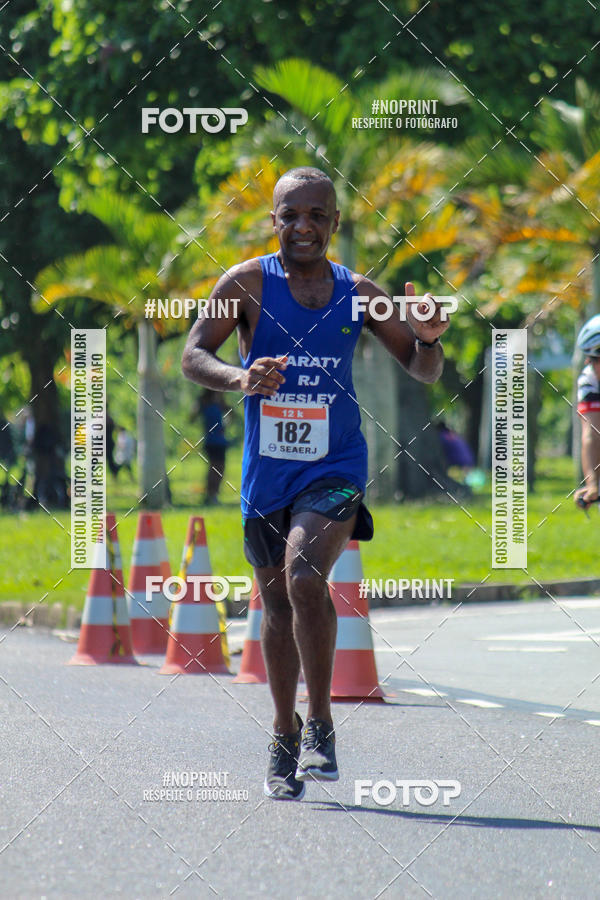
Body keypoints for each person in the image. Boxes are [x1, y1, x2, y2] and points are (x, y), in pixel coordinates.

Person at [181, 166, 450, 800]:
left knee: (306, 577)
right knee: (275, 607)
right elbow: (194, 355)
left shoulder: (359, 291)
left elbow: (422, 369)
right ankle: (283, 729)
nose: (303, 226)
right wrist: (241, 377)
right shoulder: (244, 284)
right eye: (290, 215)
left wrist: (433, 339)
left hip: (336, 467)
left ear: (335, 222)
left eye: (316, 215)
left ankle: (321, 724)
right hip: (266, 472)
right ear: (274, 220)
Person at [575, 314, 600, 508]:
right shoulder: (589, 379)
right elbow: (591, 434)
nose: (588, 363)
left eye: (594, 358)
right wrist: (592, 484)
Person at [198, 389, 229, 504]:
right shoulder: (205, 403)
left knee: (220, 468)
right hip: (211, 441)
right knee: (214, 468)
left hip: (221, 441)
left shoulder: (220, 404)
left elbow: (232, 414)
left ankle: (214, 493)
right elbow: (192, 417)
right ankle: (210, 494)